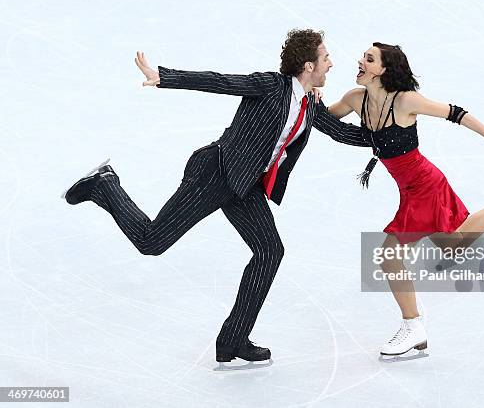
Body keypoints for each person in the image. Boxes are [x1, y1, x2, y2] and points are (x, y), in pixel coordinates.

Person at [62, 29, 371, 363]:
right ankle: (105, 184)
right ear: (309, 65)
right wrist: (163, 77)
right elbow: (222, 82)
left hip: (243, 185)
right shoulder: (272, 86)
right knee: (151, 242)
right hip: (215, 172)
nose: (331, 64)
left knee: (270, 252)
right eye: (326, 58)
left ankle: (232, 341)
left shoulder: (310, 102)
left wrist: (393, 136)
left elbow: (342, 131)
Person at [324, 42, 484, 357]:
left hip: (425, 185)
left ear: (384, 70)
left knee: (389, 256)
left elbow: (454, 113)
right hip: (410, 188)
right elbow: (324, 119)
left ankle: (412, 326)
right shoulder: (355, 99)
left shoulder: (405, 101)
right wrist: (306, 97)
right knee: (453, 245)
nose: (360, 62)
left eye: (369, 59)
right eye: (363, 57)